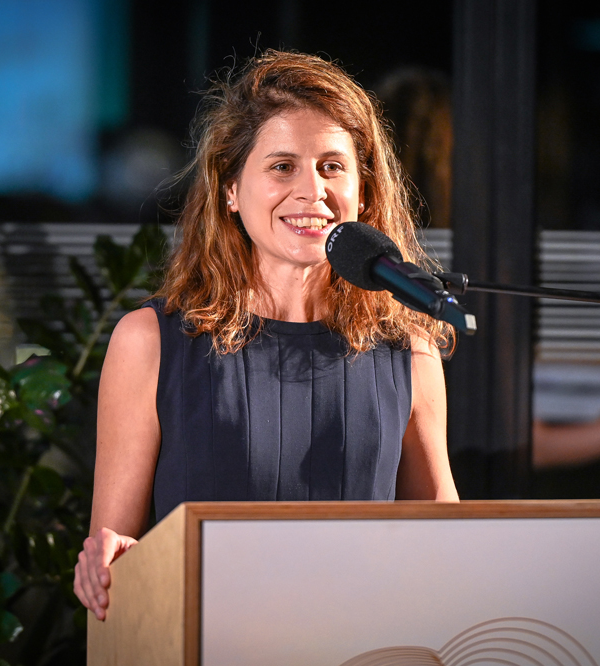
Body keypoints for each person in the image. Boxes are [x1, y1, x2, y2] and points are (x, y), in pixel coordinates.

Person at [73, 51, 460, 621]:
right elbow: (113, 560)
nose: (312, 191)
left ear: (364, 192)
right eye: (282, 167)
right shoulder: (150, 341)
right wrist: (113, 564)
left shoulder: (409, 350)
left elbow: (446, 547)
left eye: (332, 166)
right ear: (230, 189)